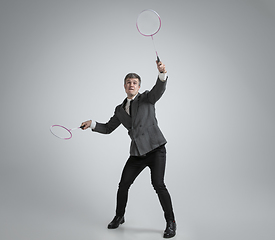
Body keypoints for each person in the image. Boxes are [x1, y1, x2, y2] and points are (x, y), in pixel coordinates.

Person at [81, 60, 176, 238]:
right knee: (123, 184)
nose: (131, 85)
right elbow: (108, 128)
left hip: (156, 149)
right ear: (124, 86)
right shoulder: (119, 110)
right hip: (137, 153)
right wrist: (92, 124)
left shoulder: (147, 98)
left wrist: (162, 74)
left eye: (134, 83)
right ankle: (119, 216)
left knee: (158, 184)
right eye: (128, 82)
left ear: (139, 87)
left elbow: (159, 90)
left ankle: (170, 222)